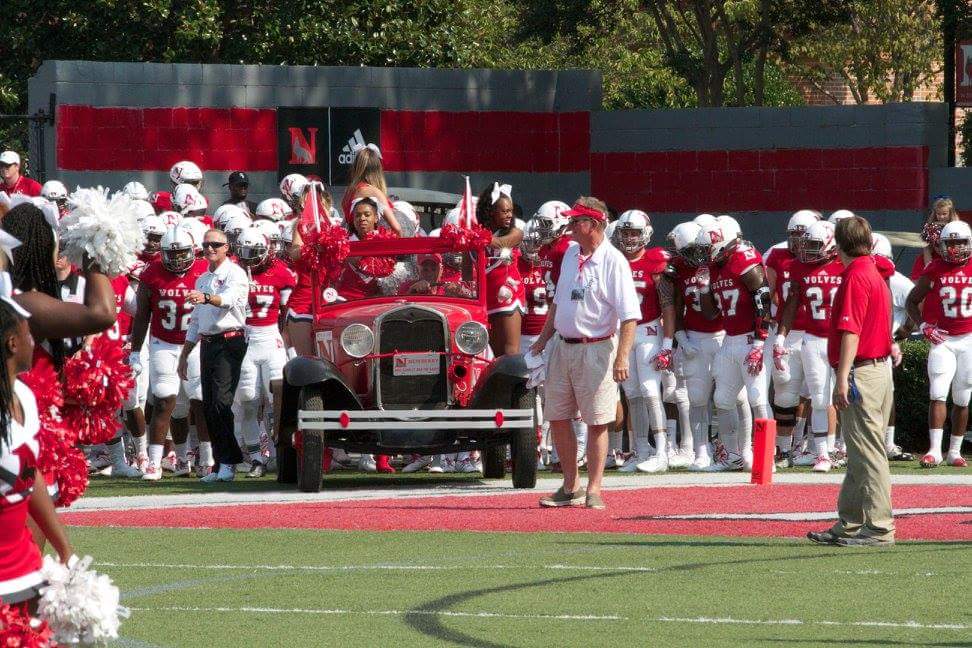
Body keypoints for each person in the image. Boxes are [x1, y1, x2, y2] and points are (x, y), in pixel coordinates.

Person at [531, 197, 639, 510]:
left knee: (597, 420)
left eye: (577, 221)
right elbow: (558, 303)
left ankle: (594, 488)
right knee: (558, 415)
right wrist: (542, 341)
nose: (571, 226)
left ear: (591, 224)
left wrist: (621, 357)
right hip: (564, 346)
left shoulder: (613, 260)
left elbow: (629, 314)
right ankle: (570, 485)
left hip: (597, 348)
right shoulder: (570, 255)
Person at [808, 216, 895, 548]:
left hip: (862, 370)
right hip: (878, 368)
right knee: (861, 452)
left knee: (869, 453)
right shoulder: (873, 271)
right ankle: (849, 521)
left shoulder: (856, 276)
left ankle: (880, 527)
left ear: (838, 243)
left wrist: (842, 377)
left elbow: (851, 331)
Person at [0, 290, 73, 608]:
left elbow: (30, 475)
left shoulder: (26, 398)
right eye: (29, 333)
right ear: (13, 343)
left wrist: (63, 547)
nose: (35, 341)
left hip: (26, 571)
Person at [129, 227, 208, 480]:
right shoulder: (151, 273)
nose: (176, 260)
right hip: (164, 343)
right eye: (171, 254)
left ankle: (204, 460)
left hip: (195, 344)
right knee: (164, 400)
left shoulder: (204, 271)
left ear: (192, 250)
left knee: (197, 402)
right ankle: (154, 463)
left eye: (182, 253)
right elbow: (142, 316)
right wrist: (135, 352)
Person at [697, 216, 771, 471]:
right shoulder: (715, 267)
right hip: (730, 339)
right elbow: (710, 314)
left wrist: (760, 344)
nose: (704, 254)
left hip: (752, 339)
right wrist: (704, 288)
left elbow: (765, 302)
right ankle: (733, 456)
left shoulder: (743, 260)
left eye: (707, 248)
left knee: (757, 398)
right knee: (723, 398)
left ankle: (764, 457)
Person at [178, 229, 250, 483]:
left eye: (216, 244)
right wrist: (185, 354)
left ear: (226, 247)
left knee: (221, 402)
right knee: (209, 405)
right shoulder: (203, 278)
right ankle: (222, 463)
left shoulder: (235, 273)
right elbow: (196, 322)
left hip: (229, 341)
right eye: (206, 244)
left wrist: (206, 297)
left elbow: (230, 300)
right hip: (208, 343)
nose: (210, 249)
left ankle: (229, 461)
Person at [611, 210, 675, 474]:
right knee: (632, 394)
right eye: (624, 232)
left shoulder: (655, 260)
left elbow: (668, 304)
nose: (628, 238)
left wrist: (668, 344)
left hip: (648, 330)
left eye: (634, 232)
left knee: (650, 389)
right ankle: (641, 450)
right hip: (622, 332)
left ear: (646, 233)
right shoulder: (613, 260)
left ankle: (662, 451)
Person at [776, 220, 843, 472]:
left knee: (854, 397)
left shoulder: (845, 265)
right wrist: (781, 336)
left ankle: (848, 448)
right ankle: (823, 454)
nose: (809, 251)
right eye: (808, 245)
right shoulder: (799, 267)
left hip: (843, 339)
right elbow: (791, 303)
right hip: (813, 338)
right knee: (819, 397)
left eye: (816, 245)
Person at [905, 220, 972, 469]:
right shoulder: (934, 268)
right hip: (942, 338)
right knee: (937, 393)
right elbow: (912, 301)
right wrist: (923, 326)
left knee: (963, 396)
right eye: (949, 242)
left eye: (959, 242)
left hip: (969, 338)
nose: (954, 248)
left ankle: (955, 450)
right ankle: (934, 449)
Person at [234, 227, 295, 477]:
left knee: (278, 396)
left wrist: (288, 342)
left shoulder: (281, 272)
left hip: (270, 337)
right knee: (248, 400)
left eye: (254, 252)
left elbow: (288, 313)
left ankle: (278, 449)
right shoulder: (234, 272)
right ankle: (257, 458)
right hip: (245, 338)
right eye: (245, 252)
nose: (249, 258)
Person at [766, 210, 819, 466]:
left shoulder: (822, 262)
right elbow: (772, 294)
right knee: (785, 393)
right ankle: (784, 449)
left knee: (815, 393)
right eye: (794, 235)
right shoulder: (777, 255)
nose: (797, 241)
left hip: (813, 332)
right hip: (788, 332)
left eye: (803, 235)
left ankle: (809, 445)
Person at [477, 182, 525, 357]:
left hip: (506, 297)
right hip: (481, 299)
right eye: (505, 211)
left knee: (509, 354)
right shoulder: (476, 237)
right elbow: (468, 271)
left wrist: (475, 237)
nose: (509, 215)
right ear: (491, 212)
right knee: (486, 356)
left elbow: (500, 243)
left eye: (510, 211)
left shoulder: (516, 233)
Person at [339, 144, 401, 235]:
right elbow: (397, 228)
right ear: (377, 170)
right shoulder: (375, 193)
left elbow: (344, 225)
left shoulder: (349, 192)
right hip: (372, 246)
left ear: (356, 168)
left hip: (352, 245)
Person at [911, 197, 959, 280]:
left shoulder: (957, 227)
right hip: (932, 256)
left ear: (950, 213)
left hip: (951, 256)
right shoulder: (931, 226)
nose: (941, 216)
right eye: (938, 214)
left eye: (944, 214)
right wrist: (929, 266)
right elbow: (927, 246)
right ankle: (928, 270)